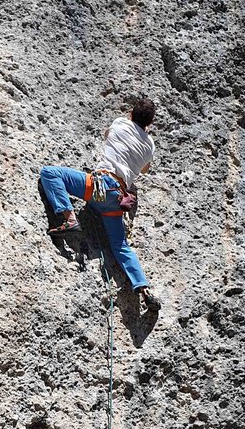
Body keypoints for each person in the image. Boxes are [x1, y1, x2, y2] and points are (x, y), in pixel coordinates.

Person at [40, 97, 161, 311]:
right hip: (116, 200)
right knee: (120, 246)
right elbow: (144, 169)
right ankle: (143, 288)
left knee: (50, 173)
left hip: (99, 186)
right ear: (149, 123)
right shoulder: (149, 145)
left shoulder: (121, 123)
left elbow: (107, 134)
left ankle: (69, 218)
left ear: (130, 113)